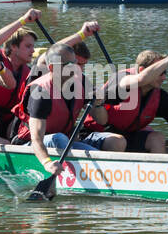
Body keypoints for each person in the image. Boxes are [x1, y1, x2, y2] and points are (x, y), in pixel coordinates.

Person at [83, 44, 168, 153]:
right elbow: (141, 79)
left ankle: (161, 180)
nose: (164, 77)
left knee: (157, 138)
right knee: (118, 141)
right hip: (93, 136)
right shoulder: (122, 80)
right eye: (160, 72)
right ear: (142, 70)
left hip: (125, 137)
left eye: (165, 72)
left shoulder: (159, 96)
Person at [12, 42, 119, 173]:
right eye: (69, 65)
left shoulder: (82, 82)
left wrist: (98, 104)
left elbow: (102, 120)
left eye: (75, 63)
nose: (75, 68)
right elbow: (36, 138)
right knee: (59, 138)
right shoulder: (40, 92)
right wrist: (47, 163)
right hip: (31, 146)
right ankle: (79, 173)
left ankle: (98, 174)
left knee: (111, 146)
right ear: (52, 68)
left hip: (64, 143)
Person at [0, 8, 42, 137]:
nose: (33, 51)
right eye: (28, 46)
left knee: (25, 124)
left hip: (10, 121)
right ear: (13, 47)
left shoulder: (28, 72)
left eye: (33, 46)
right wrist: (24, 20)